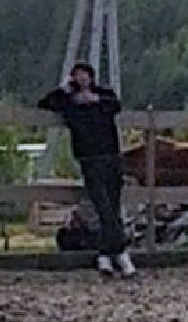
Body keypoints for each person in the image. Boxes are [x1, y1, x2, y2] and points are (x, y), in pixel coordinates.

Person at [38, 63, 135, 277]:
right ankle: (121, 252)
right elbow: (45, 103)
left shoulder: (104, 96)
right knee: (103, 206)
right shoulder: (69, 102)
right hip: (89, 158)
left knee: (113, 204)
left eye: (85, 74)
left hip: (111, 156)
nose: (82, 78)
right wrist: (64, 90)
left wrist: (95, 100)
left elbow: (116, 104)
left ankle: (106, 255)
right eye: (77, 75)